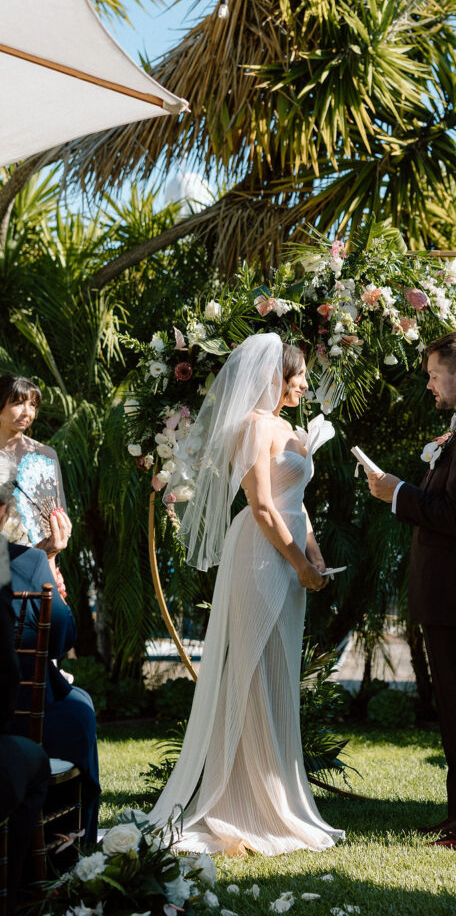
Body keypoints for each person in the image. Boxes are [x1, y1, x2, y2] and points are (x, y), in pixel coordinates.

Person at [149, 333, 344, 856]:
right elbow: (262, 505)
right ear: (272, 378)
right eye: (296, 375)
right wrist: (300, 562)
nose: (304, 383)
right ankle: (241, 804)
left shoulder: (288, 427)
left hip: (289, 554)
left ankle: (277, 793)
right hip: (259, 553)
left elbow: (294, 503)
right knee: (254, 668)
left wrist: (315, 555)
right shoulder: (256, 427)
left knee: (278, 668)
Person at [368, 330, 456, 849]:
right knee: (455, 708)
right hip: (449, 590)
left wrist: (397, 492)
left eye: (433, 375)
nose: (428, 384)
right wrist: (402, 491)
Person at [0, 455, 100, 843]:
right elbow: (59, 636)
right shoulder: (26, 561)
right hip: (20, 718)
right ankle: (72, 842)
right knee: (79, 709)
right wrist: (50, 557)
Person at [0, 480, 50, 916]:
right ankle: (13, 897)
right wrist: (49, 557)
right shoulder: (19, 561)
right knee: (33, 759)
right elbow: (7, 677)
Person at [0, 375, 71, 600]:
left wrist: (52, 554)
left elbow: (56, 513)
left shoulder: (46, 455)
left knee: (58, 622)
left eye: (32, 405)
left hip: (38, 559)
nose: (27, 412)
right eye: (17, 403)